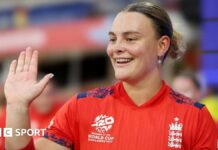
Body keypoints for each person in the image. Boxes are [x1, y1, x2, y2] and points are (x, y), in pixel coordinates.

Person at [4, 2, 217, 150]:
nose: (117, 48)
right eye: (113, 39)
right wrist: (17, 107)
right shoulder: (81, 106)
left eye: (130, 39)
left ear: (161, 45)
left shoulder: (195, 117)